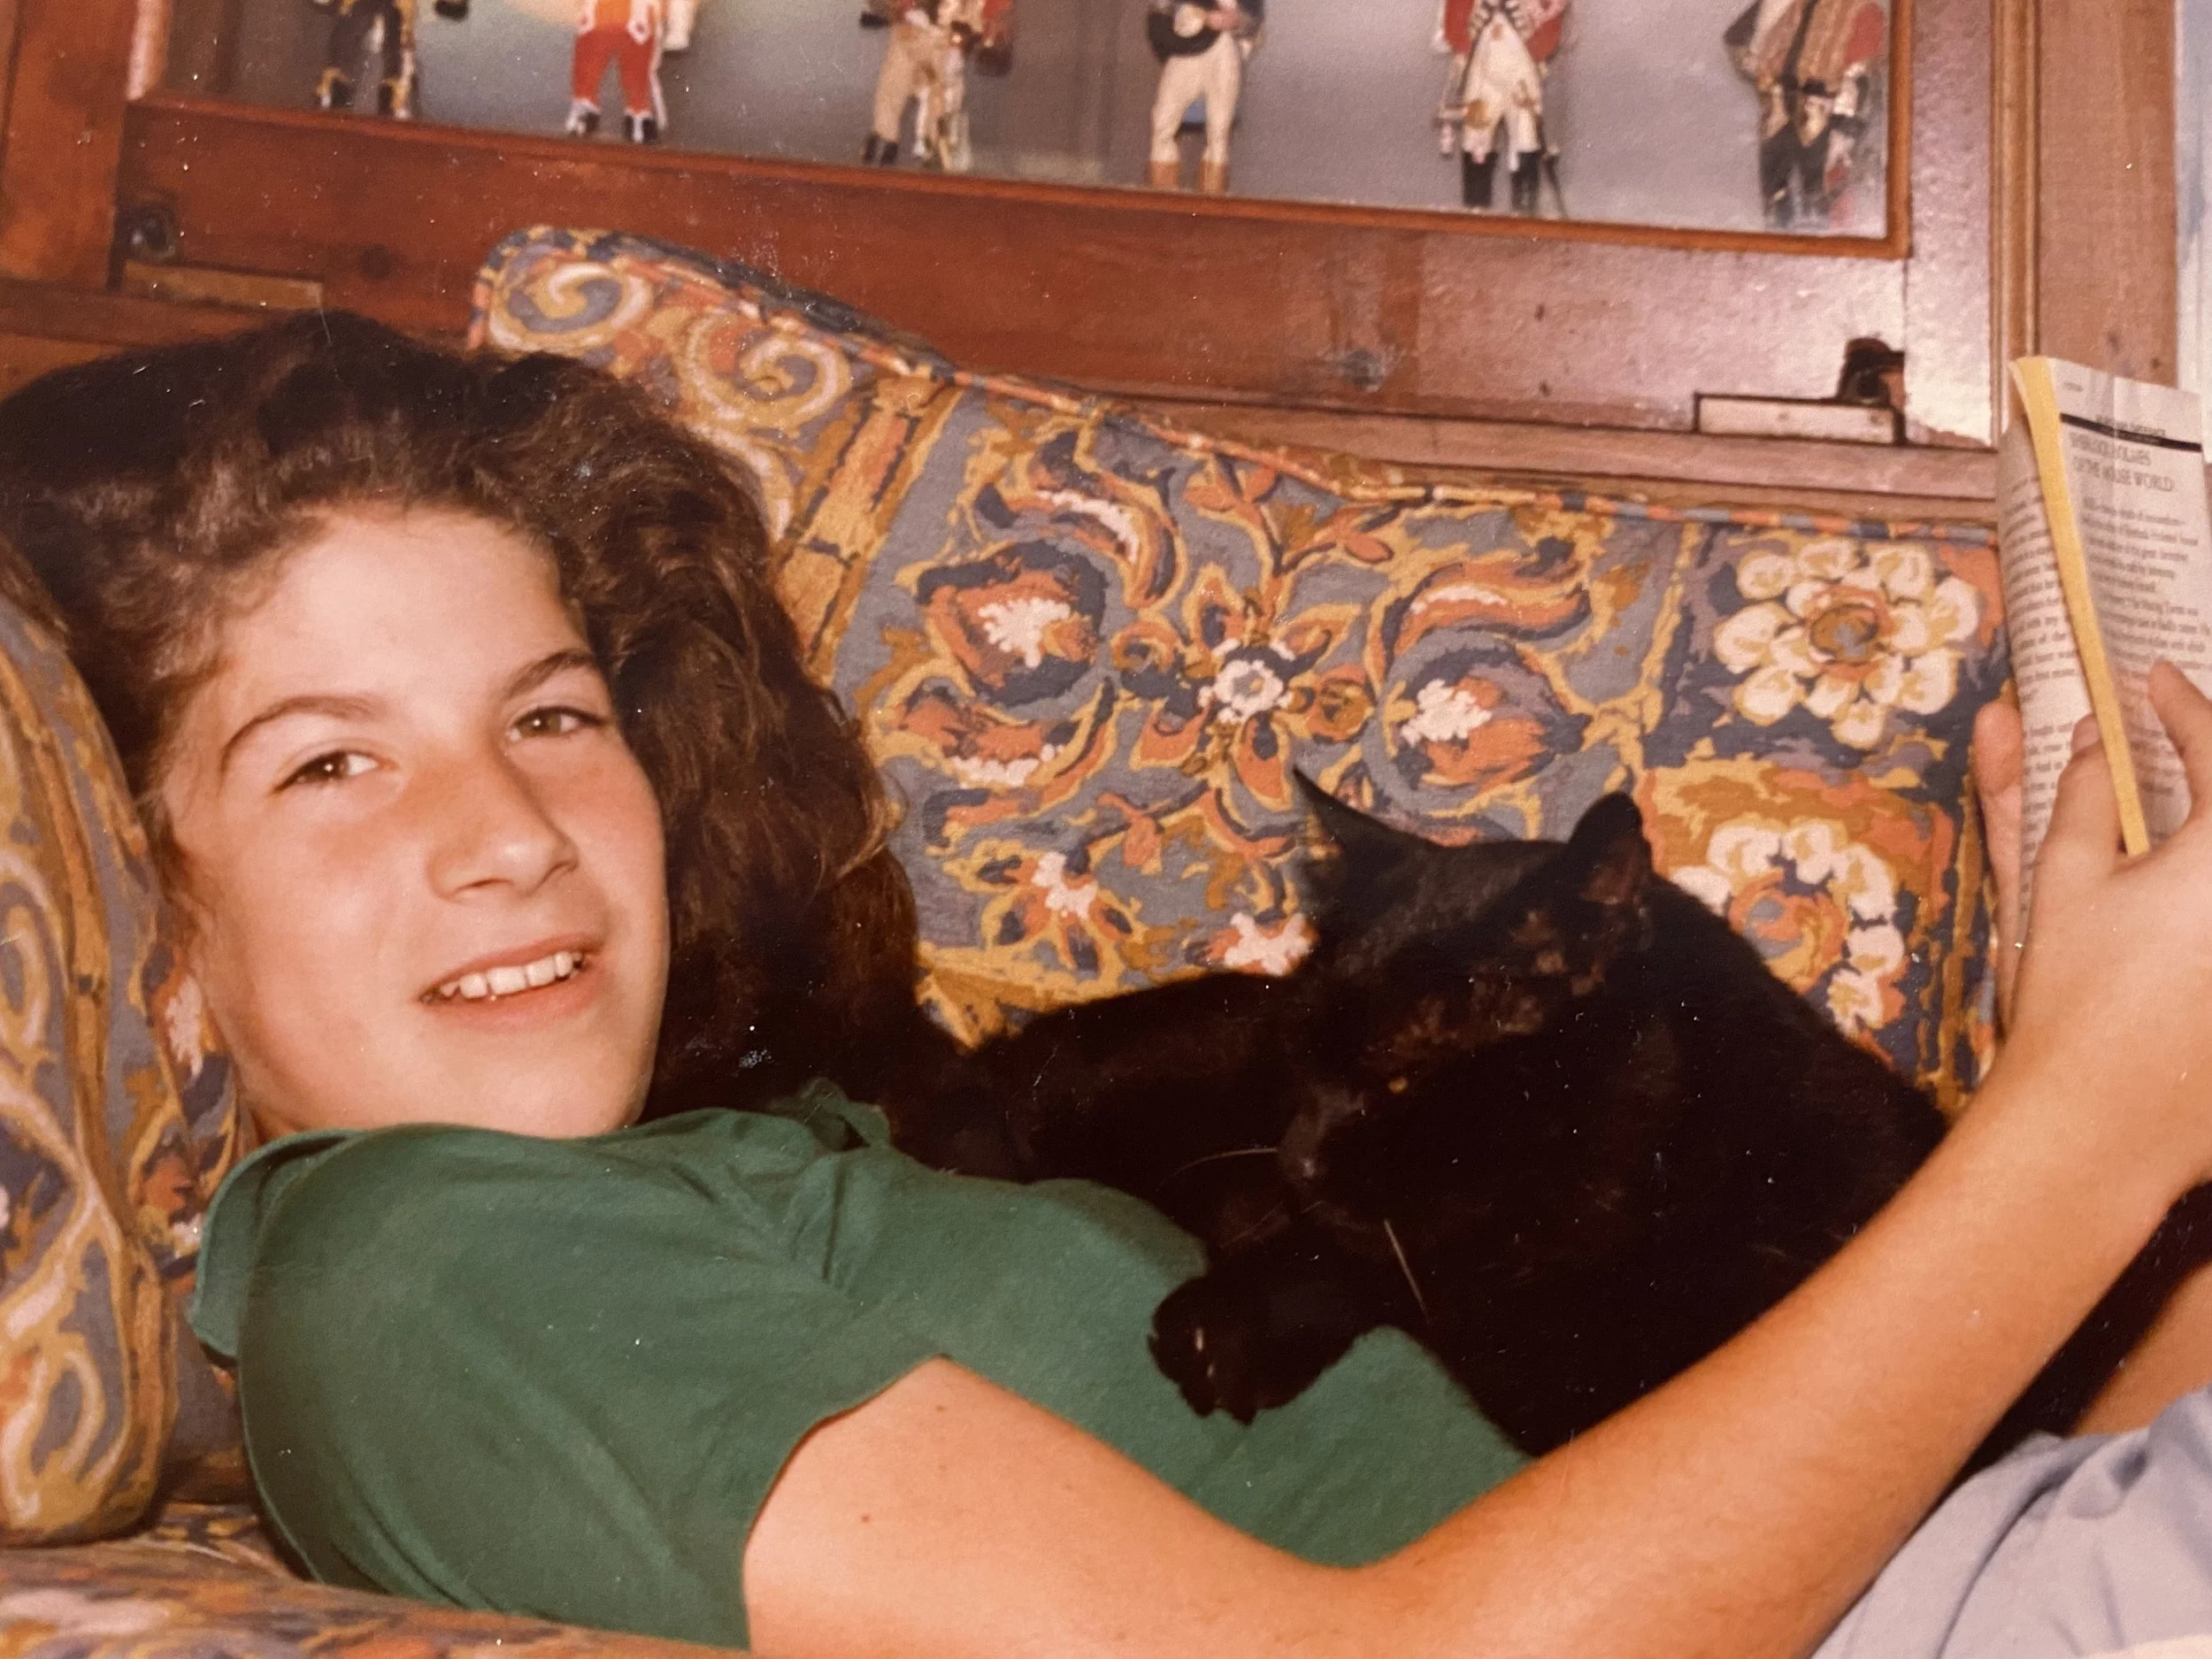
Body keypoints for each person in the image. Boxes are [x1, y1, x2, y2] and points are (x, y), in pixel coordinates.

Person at [6, 312, 2212, 1659]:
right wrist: (2077, 1123)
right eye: (329, 762)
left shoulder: (706, 1171)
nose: (507, 829)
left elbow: (1949, 1500)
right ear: (154, 946)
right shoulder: (425, 1264)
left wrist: (2140, 1106)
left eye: (553, 714)